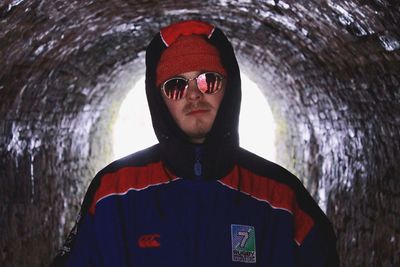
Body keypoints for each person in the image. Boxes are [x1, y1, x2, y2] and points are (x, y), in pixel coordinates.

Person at [52, 20, 339, 266]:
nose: (194, 95)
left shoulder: (282, 199)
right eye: (176, 85)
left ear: (229, 87)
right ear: (159, 99)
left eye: (208, 81)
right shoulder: (113, 194)